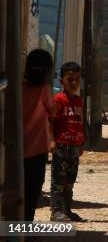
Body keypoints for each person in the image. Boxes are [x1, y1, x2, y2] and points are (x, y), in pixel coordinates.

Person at [22, 49, 55, 221]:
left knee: (18, 188)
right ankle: (26, 228)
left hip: (17, 148)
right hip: (38, 150)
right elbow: (53, 113)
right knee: (33, 189)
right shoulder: (45, 90)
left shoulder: (18, 88)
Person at [50, 62, 85, 222]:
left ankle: (67, 209)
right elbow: (50, 121)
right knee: (59, 180)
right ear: (61, 81)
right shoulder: (59, 99)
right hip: (61, 146)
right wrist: (51, 140)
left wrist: (81, 142)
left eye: (77, 79)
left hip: (74, 147)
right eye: (69, 79)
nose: (74, 83)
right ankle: (56, 211)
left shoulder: (79, 100)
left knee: (70, 179)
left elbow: (79, 122)